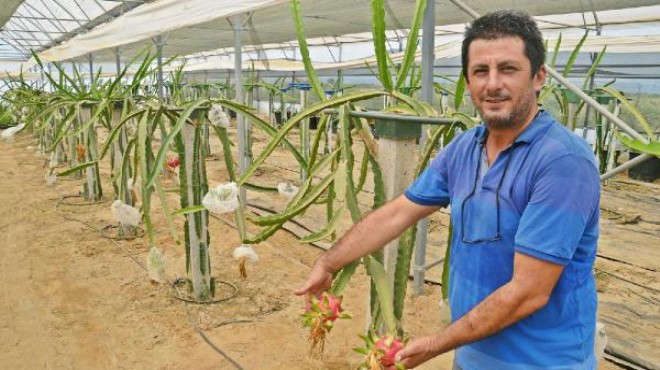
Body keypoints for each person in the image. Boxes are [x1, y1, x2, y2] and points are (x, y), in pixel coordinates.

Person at [295, 10, 601, 370]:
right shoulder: (465, 148)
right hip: (473, 356)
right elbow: (399, 212)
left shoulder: (563, 162)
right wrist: (328, 262)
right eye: (480, 72)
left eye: (508, 69)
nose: (493, 84)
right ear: (468, 82)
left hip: (542, 363)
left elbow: (528, 292)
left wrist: (435, 345)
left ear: (538, 78)